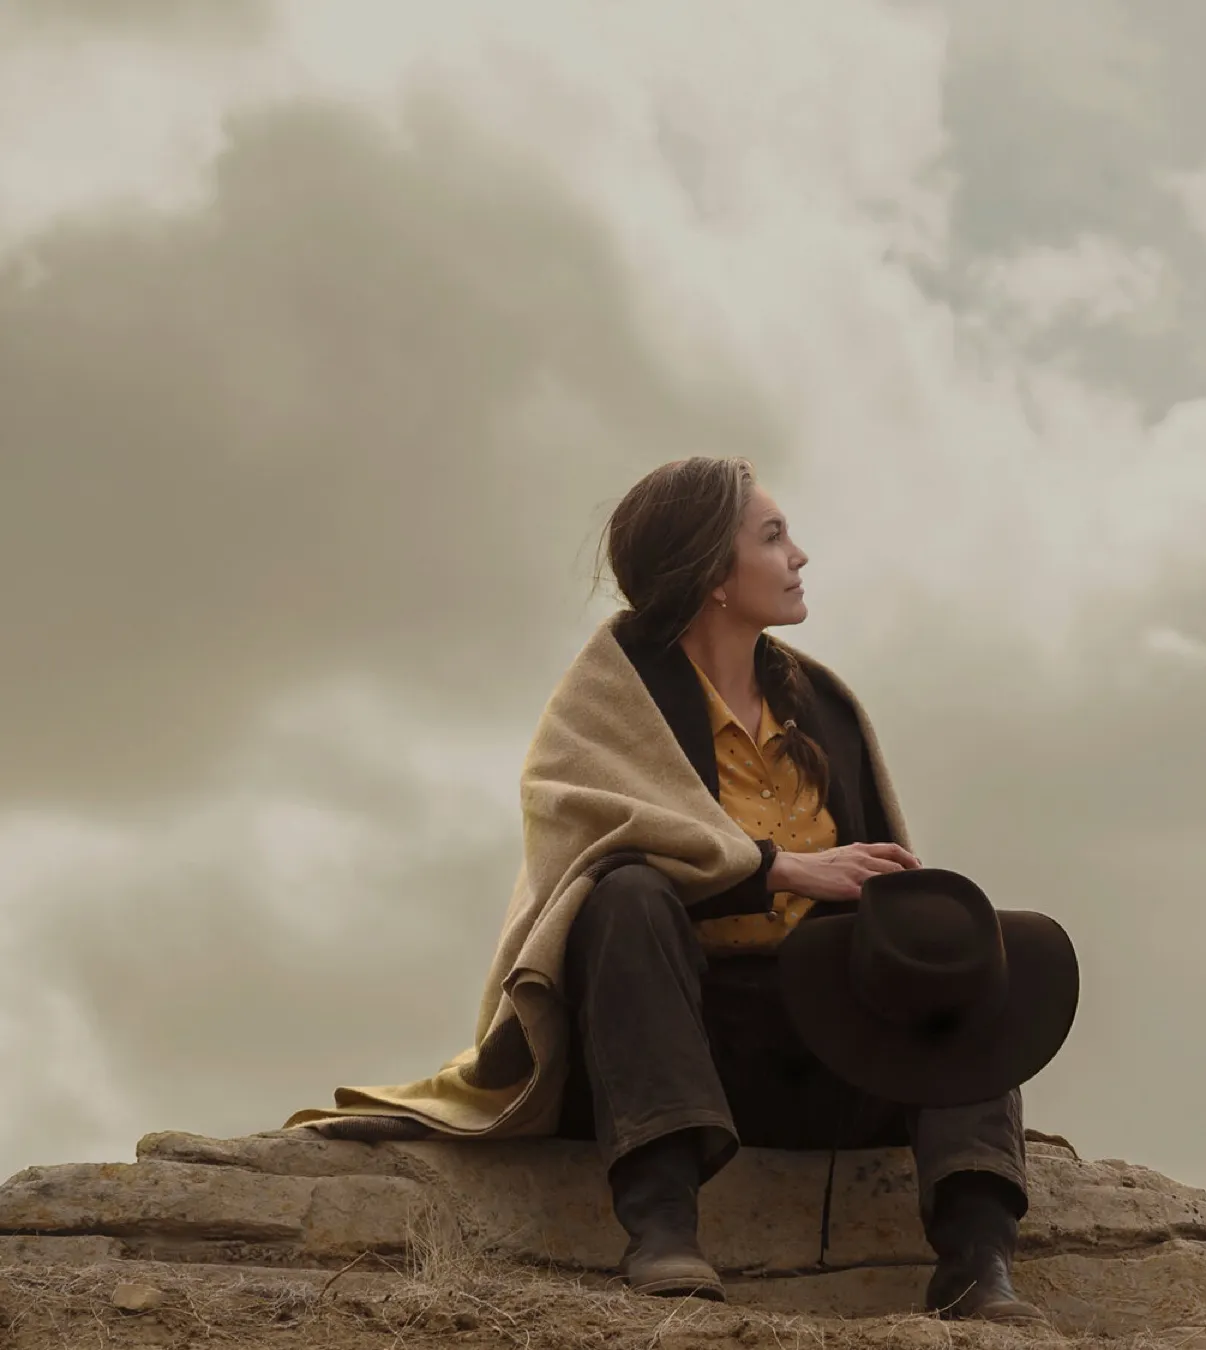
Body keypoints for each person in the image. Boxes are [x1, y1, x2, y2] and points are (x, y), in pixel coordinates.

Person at [287, 456, 1077, 1325]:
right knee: (624, 893)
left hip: (828, 1043)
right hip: (660, 1050)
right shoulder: (610, 695)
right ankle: (662, 1229)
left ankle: (975, 1261)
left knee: (965, 949)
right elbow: (596, 839)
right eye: (773, 537)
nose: (799, 556)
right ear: (713, 576)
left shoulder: (822, 704)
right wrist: (776, 868)